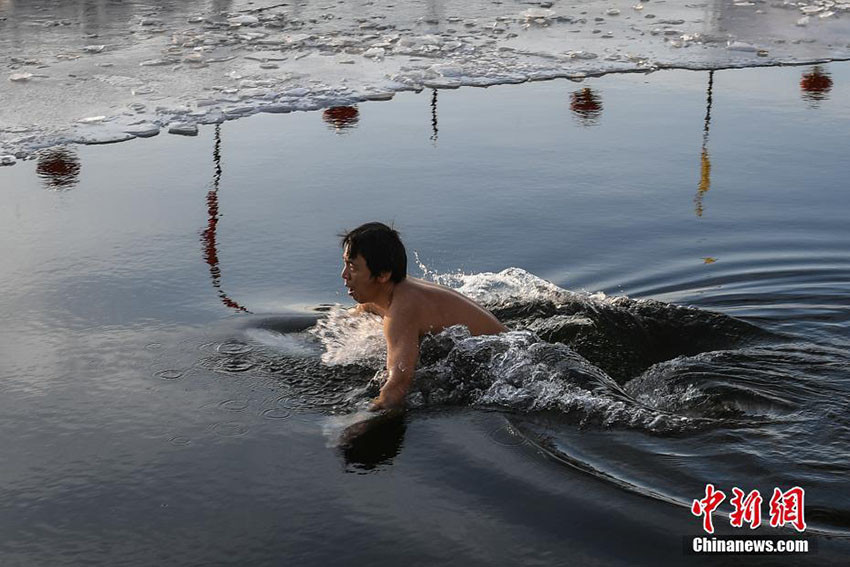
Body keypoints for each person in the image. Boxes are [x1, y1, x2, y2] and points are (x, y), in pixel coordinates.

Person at [340, 222, 506, 410]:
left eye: (352, 267)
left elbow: (398, 384)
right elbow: (360, 310)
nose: (344, 275)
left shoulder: (401, 313)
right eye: (345, 263)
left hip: (502, 363)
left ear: (383, 275)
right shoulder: (392, 291)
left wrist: (358, 422)